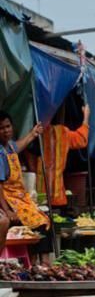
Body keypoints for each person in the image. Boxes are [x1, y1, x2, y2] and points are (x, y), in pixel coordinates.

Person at [0, 111, 50, 259]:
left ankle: (42, 263)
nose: (6, 130)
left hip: (20, 197)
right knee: (39, 222)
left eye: (8, 126)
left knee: (44, 218)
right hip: (9, 200)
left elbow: (18, 146)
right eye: (2, 128)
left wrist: (33, 134)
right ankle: (39, 262)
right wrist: (7, 210)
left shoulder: (8, 146)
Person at [35, 105, 90, 206]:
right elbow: (82, 139)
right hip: (56, 192)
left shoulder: (35, 132)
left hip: (37, 190)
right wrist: (86, 117)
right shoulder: (63, 132)